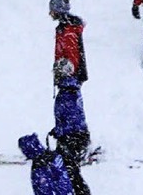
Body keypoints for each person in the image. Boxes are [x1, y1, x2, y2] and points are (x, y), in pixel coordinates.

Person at [48, 61, 91, 195]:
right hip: (73, 135)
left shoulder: (68, 93)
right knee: (68, 170)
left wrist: (61, 131)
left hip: (72, 138)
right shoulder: (69, 89)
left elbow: (72, 118)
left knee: (70, 171)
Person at [49, 0, 88, 85]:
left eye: (52, 10)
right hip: (67, 79)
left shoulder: (68, 31)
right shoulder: (63, 29)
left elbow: (72, 54)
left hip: (69, 80)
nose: (50, 13)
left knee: (68, 99)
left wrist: (64, 73)